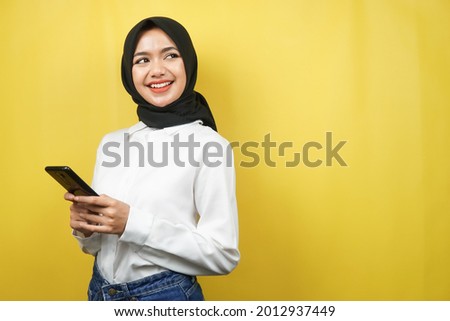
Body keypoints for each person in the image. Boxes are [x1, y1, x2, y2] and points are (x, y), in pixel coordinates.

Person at [64, 16, 240, 301]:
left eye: (170, 55)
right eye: (142, 60)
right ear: (128, 72)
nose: (157, 70)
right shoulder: (113, 142)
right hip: (99, 291)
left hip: (165, 296)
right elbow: (96, 248)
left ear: (188, 64)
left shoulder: (210, 146)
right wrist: (85, 228)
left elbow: (223, 255)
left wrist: (131, 223)